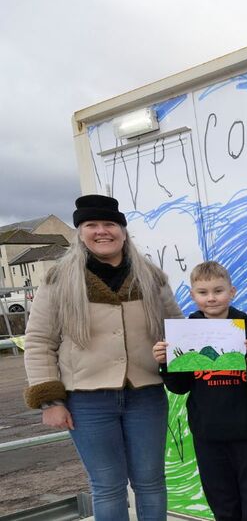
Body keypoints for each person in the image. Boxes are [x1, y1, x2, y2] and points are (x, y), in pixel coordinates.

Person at [23, 194, 183, 520]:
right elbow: (40, 342)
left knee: (151, 481)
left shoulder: (151, 279)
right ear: (79, 232)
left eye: (109, 224)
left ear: (123, 231)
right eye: (91, 225)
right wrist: (50, 401)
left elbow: (176, 332)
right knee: (108, 485)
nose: (101, 231)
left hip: (146, 396)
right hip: (86, 400)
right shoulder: (58, 281)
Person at [153, 260, 247, 521]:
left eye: (218, 291)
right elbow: (179, 387)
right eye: (203, 293)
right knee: (223, 505)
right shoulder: (183, 334)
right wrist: (164, 363)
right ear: (193, 295)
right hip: (208, 435)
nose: (211, 298)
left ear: (232, 292)